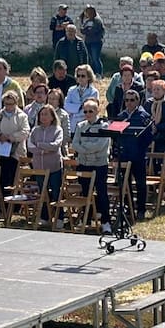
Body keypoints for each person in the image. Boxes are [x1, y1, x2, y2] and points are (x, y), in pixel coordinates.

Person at [112, 88, 153, 222]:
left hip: (138, 155)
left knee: (140, 183)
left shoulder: (143, 116)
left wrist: (140, 147)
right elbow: (115, 136)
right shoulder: (121, 116)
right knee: (124, 182)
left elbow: (149, 136)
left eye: (132, 100)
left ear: (138, 101)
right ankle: (128, 208)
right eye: (127, 100)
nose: (129, 103)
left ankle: (141, 210)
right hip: (124, 155)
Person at [72, 100, 112, 234]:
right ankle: (87, 219)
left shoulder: (105, 126)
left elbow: (99, 146)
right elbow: (75, 144)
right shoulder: (80, 125)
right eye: (85, 111)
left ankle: (106, 222)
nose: (88, 114)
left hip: (99, 165)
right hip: (84, 164)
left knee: (101, 193)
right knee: (85, 193)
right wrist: (85, 149)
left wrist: (85, 148)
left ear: (97, 111)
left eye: (91, 111)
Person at [28, 105, 65, 228]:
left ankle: (59, 217)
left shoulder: (57, 129)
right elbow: (30, 146)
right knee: (43, 192)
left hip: (54, 167)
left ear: (52, 117)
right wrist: (44, 148)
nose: (43, 117)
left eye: (46, 114)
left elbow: (55, 145)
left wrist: (40, 145)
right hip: (39, 167)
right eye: (41, 114)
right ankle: (45, 216)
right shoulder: (35, 130)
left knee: (56, 192)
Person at [0, 91, 30, 192]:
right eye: (6, 104)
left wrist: (11, 137)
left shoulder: (22, 116)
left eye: (11, 104)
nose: (8, 106)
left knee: (13, 180)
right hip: (0, 153)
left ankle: (14, 206)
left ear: (16, 103)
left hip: (16, 154)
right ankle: (0, 204)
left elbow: (25, 132)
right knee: (1, 180)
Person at [64, 64, 100, 132]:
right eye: (78, 76)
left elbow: (92, 109)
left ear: (89, 77)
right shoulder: (71, 90)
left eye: (83, 76)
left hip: (87, 125)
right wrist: (80, 107)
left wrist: (74, 109)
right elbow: (66, 106)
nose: (80, 78)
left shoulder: (94, 92)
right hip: (72, 125)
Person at [80, 5, 106, 76]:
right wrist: (88, 30)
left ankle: (99, 74)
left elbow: (94, 30)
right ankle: (93, 73)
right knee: (90, 59)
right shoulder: (87, 21)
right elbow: (82, 30)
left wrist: (87, 30)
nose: (89, 13)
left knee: (95, 58)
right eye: (88, 12)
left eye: (91, 12)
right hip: (88, 42)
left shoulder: (97, 21)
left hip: (96, 42)